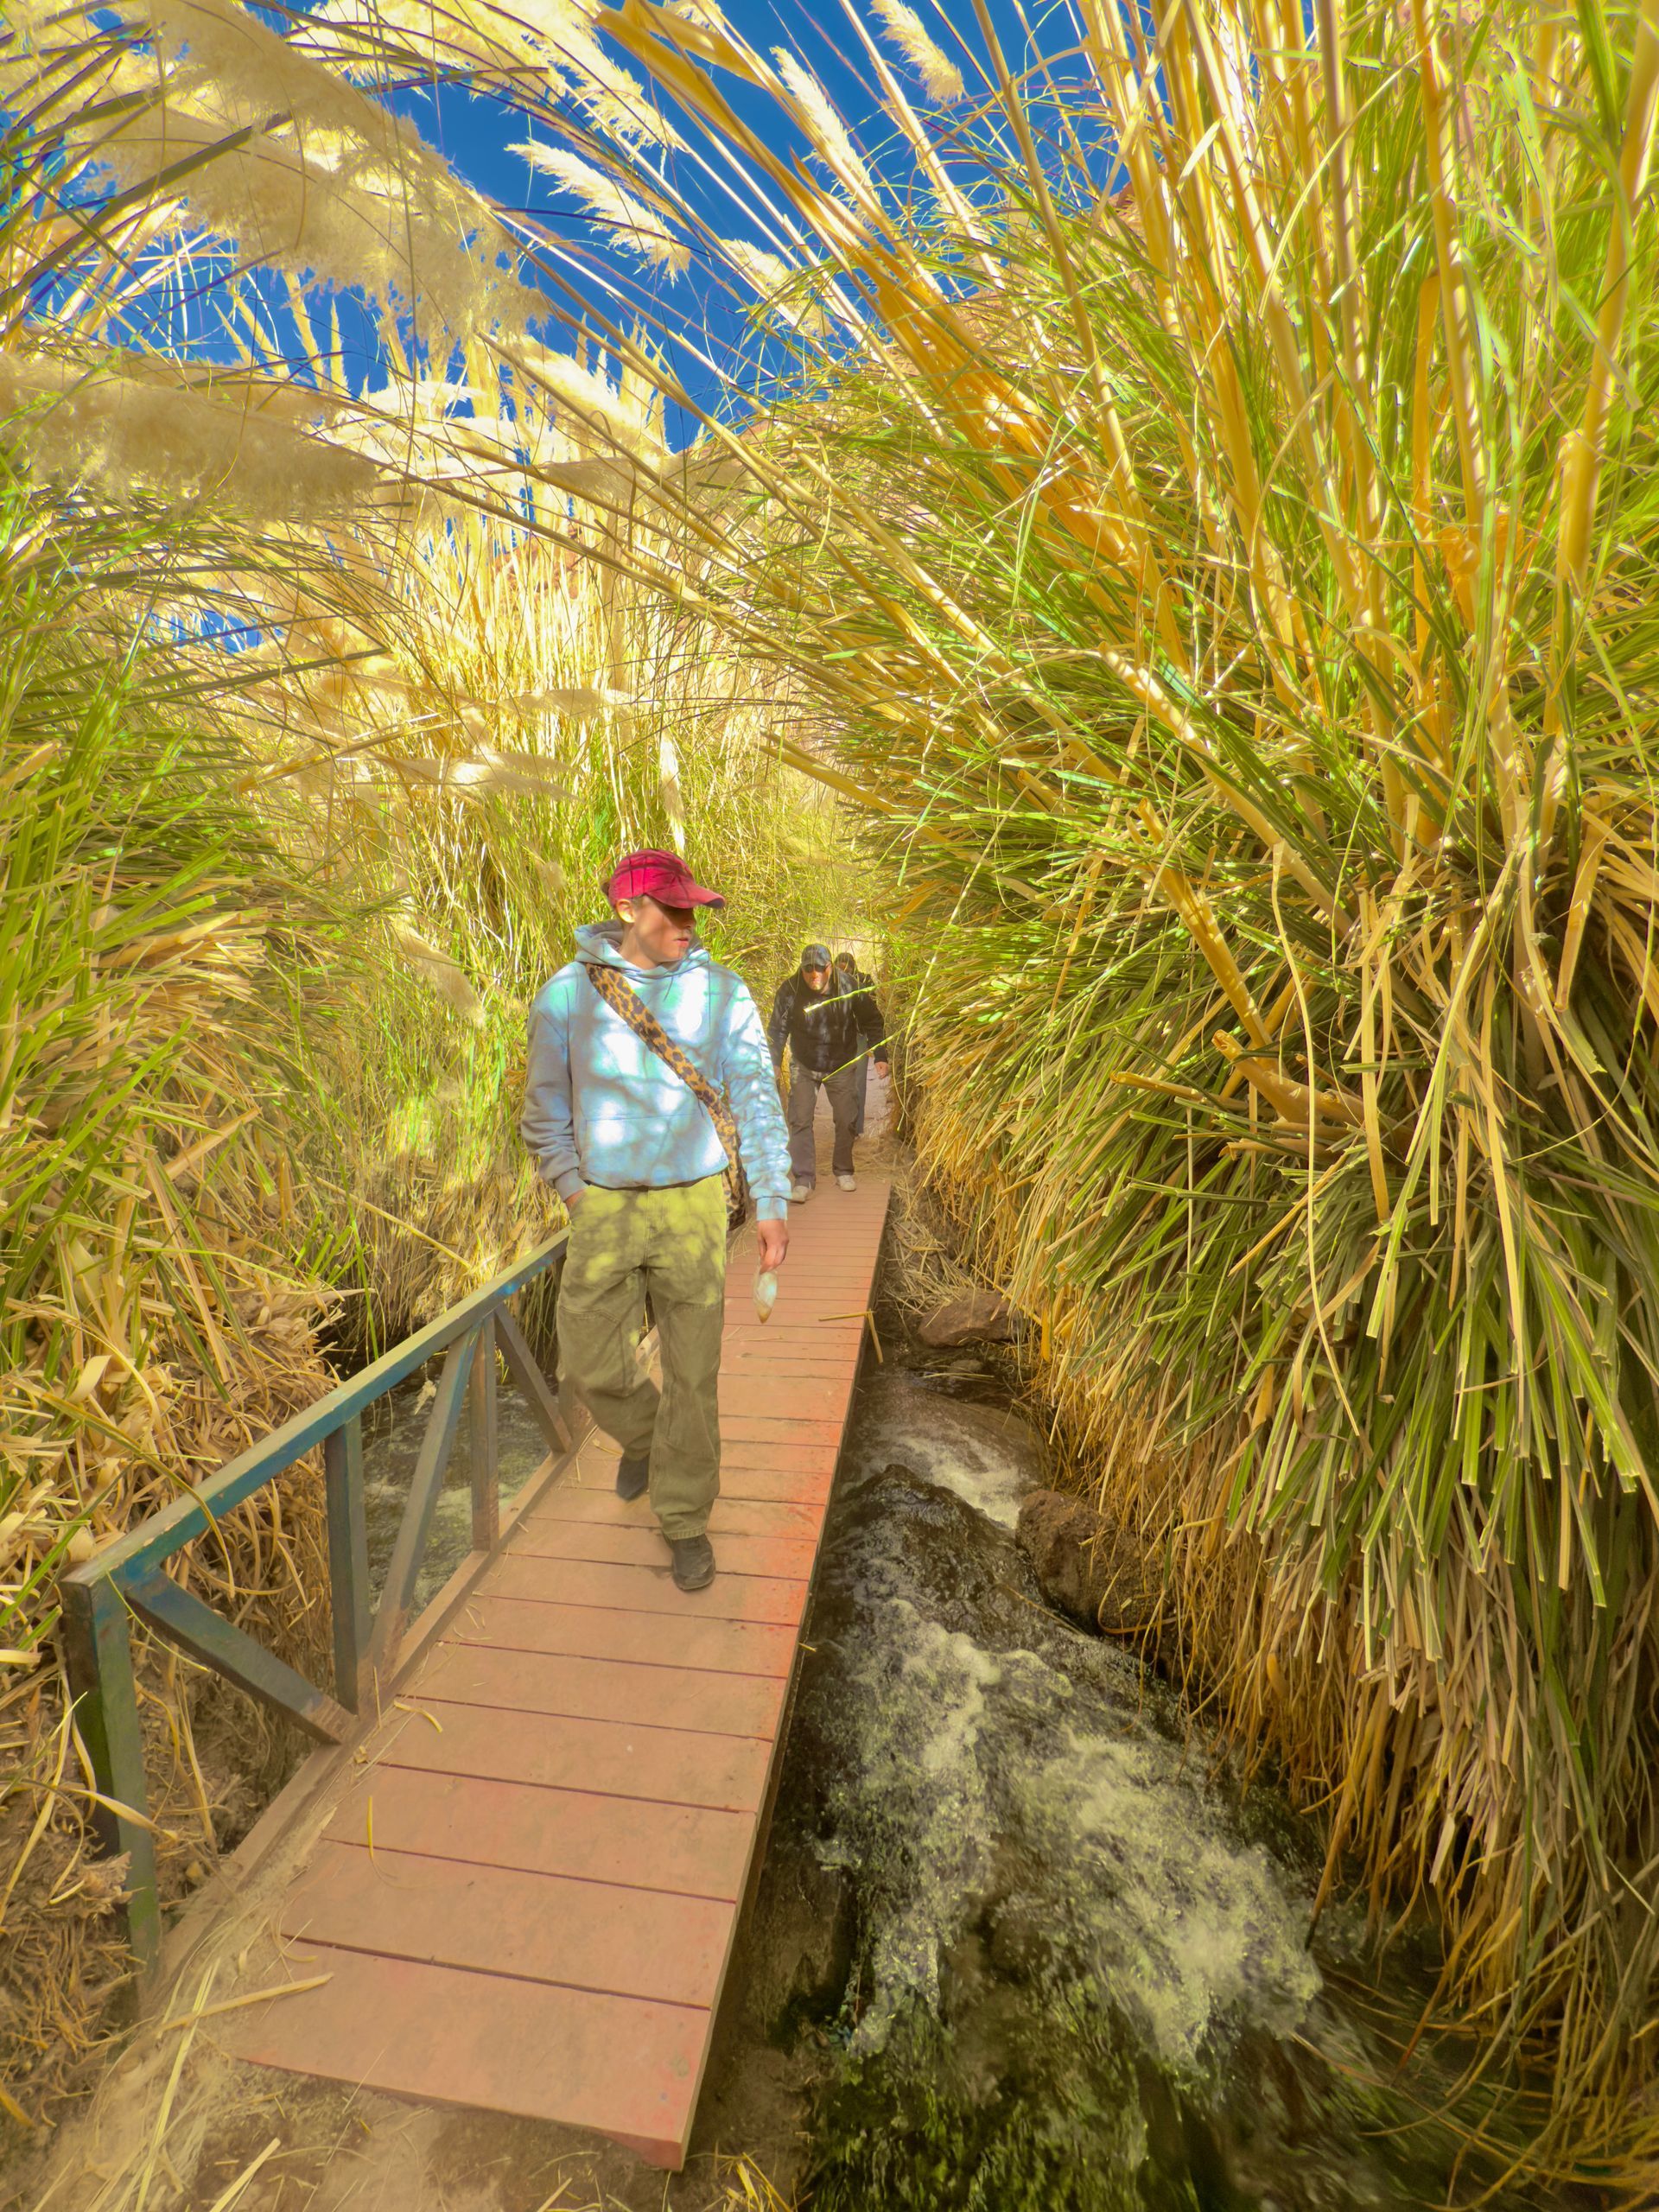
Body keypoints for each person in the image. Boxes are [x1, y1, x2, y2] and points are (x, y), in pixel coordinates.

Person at [519, 848, 791, 1592]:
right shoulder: (566, 998)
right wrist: (575, 1190)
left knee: (694, 1376)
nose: (688, 921)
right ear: (629, 910)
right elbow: (543, 1110)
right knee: (585, 1362)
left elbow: (759, 1103)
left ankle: (684, 1520)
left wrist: (770, 1200)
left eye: (694, 908)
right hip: (603, 1205)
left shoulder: (723, 995)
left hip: (694, 1205)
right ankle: (648, 1437)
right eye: (672, 908)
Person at [767, 943, 888, 1200]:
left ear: (830, 968)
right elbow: (777, 1029)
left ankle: (843, 1170)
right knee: (800, 1119)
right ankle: (803, 1178)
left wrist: (880, 1055)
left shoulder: (849, 987)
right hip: (804, 1063)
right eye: (808, 969)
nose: (814, 975)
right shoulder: (790, 990)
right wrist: (775, 1062)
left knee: (847, 1118)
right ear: (801, 969)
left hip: (840, 1063)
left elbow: (872, 1021)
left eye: (819, 969)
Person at [834, 950, 882, 1137]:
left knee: (858, 1084)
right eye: (839, 970)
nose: (843, 974)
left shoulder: (865, 981)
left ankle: (855, 1127)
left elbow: (873, 1012)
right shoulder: (829, 984)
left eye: (846, 970)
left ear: (853, 969)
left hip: (859, 1039)